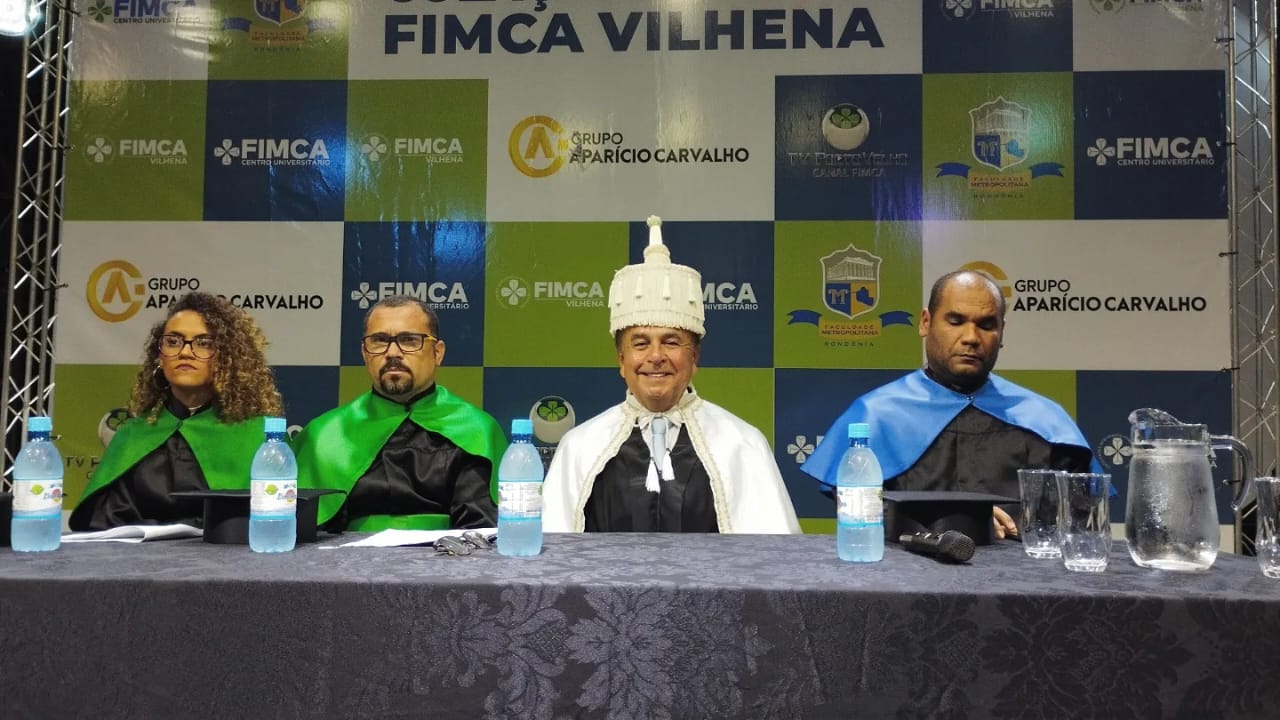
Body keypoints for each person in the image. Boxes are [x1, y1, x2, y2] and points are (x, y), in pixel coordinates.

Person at [543, 216, 801, 533]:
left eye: (671, 342)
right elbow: (553, 555)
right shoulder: (579, 447)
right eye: (641, 344)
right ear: (621, 360)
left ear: (694, 358)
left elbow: (772, 557)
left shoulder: (742, 444)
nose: (655, 357)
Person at [801, 270, 1099, 538]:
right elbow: (857, 514)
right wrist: (957, 519)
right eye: (955, 321)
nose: (971, 337)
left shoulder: (1045, 422)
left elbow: (1078, 524)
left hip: (1023, 576)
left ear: (1001, 333)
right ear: (925, 323)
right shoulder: (875, 415)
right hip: (907, 575)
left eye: (986, 325)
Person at [70, 292, 284, 530]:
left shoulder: (257, 437)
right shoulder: (133, 435)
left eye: (204, 343)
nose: (185, 352)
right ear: (159, 357)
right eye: (173, 341)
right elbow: (104, 523)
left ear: (227, 358)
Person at [294, 295, 505, 532]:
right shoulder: (324, 436)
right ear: (364, 353)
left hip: (449, 554)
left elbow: (482, 532)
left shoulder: (476, 431)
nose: (393, 352)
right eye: (379, 341)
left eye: (409, 340)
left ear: (437, 352)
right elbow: (307, 533)